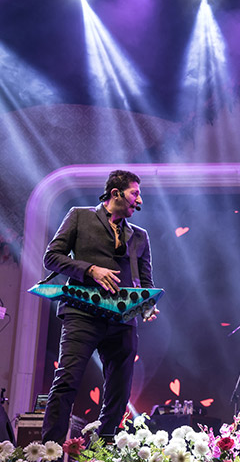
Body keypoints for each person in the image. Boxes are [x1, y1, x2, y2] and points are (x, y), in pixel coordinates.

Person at [41, 170, 158, 442]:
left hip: (122, 320)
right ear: (116, 193)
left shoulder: (140, 236)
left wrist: (147, 305)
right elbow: (51, 257)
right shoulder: (79, 216)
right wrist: (90, 270)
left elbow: (146, 283)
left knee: (119, 392)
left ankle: (101, 448)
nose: (140, 200)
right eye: (135, 193)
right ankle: (50, 451)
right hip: (82, 313)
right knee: (67, 381)